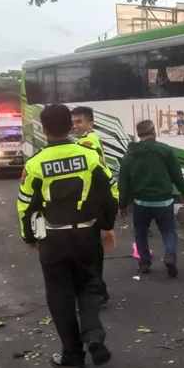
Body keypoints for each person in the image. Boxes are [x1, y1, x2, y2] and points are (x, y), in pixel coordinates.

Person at [17, 104, 118, 368]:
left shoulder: (35, 164)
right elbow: (110, 192)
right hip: (86, 235)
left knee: (60, 296)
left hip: (53, 240)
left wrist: (29, 235)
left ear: (44, 128)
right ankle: (93, 334)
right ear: (70, 125)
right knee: (89, 286)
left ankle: (72, 356)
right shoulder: (89, 157)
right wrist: (107, 225)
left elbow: (25, 204)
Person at [118, 119, 184, 277]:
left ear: (138, 134)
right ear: (153, 132)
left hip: (141, 202)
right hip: (164, 201)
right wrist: (183, 192)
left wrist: (122, 205)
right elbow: (176, 173)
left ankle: (144, 263)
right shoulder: (165, 150)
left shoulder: (129, 155)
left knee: (140, 232)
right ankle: (170, 255)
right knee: (168, 230)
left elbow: (124, 183)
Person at [72, 106, 115, 307]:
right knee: (93, 254)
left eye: (79, 121)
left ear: (91, 123)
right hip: (98, 206)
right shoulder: (87, 142)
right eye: (73, 122)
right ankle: (99, 291)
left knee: (92, 255)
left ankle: (97, 293)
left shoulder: (88, 145)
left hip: (94, 207)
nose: (75, 125)